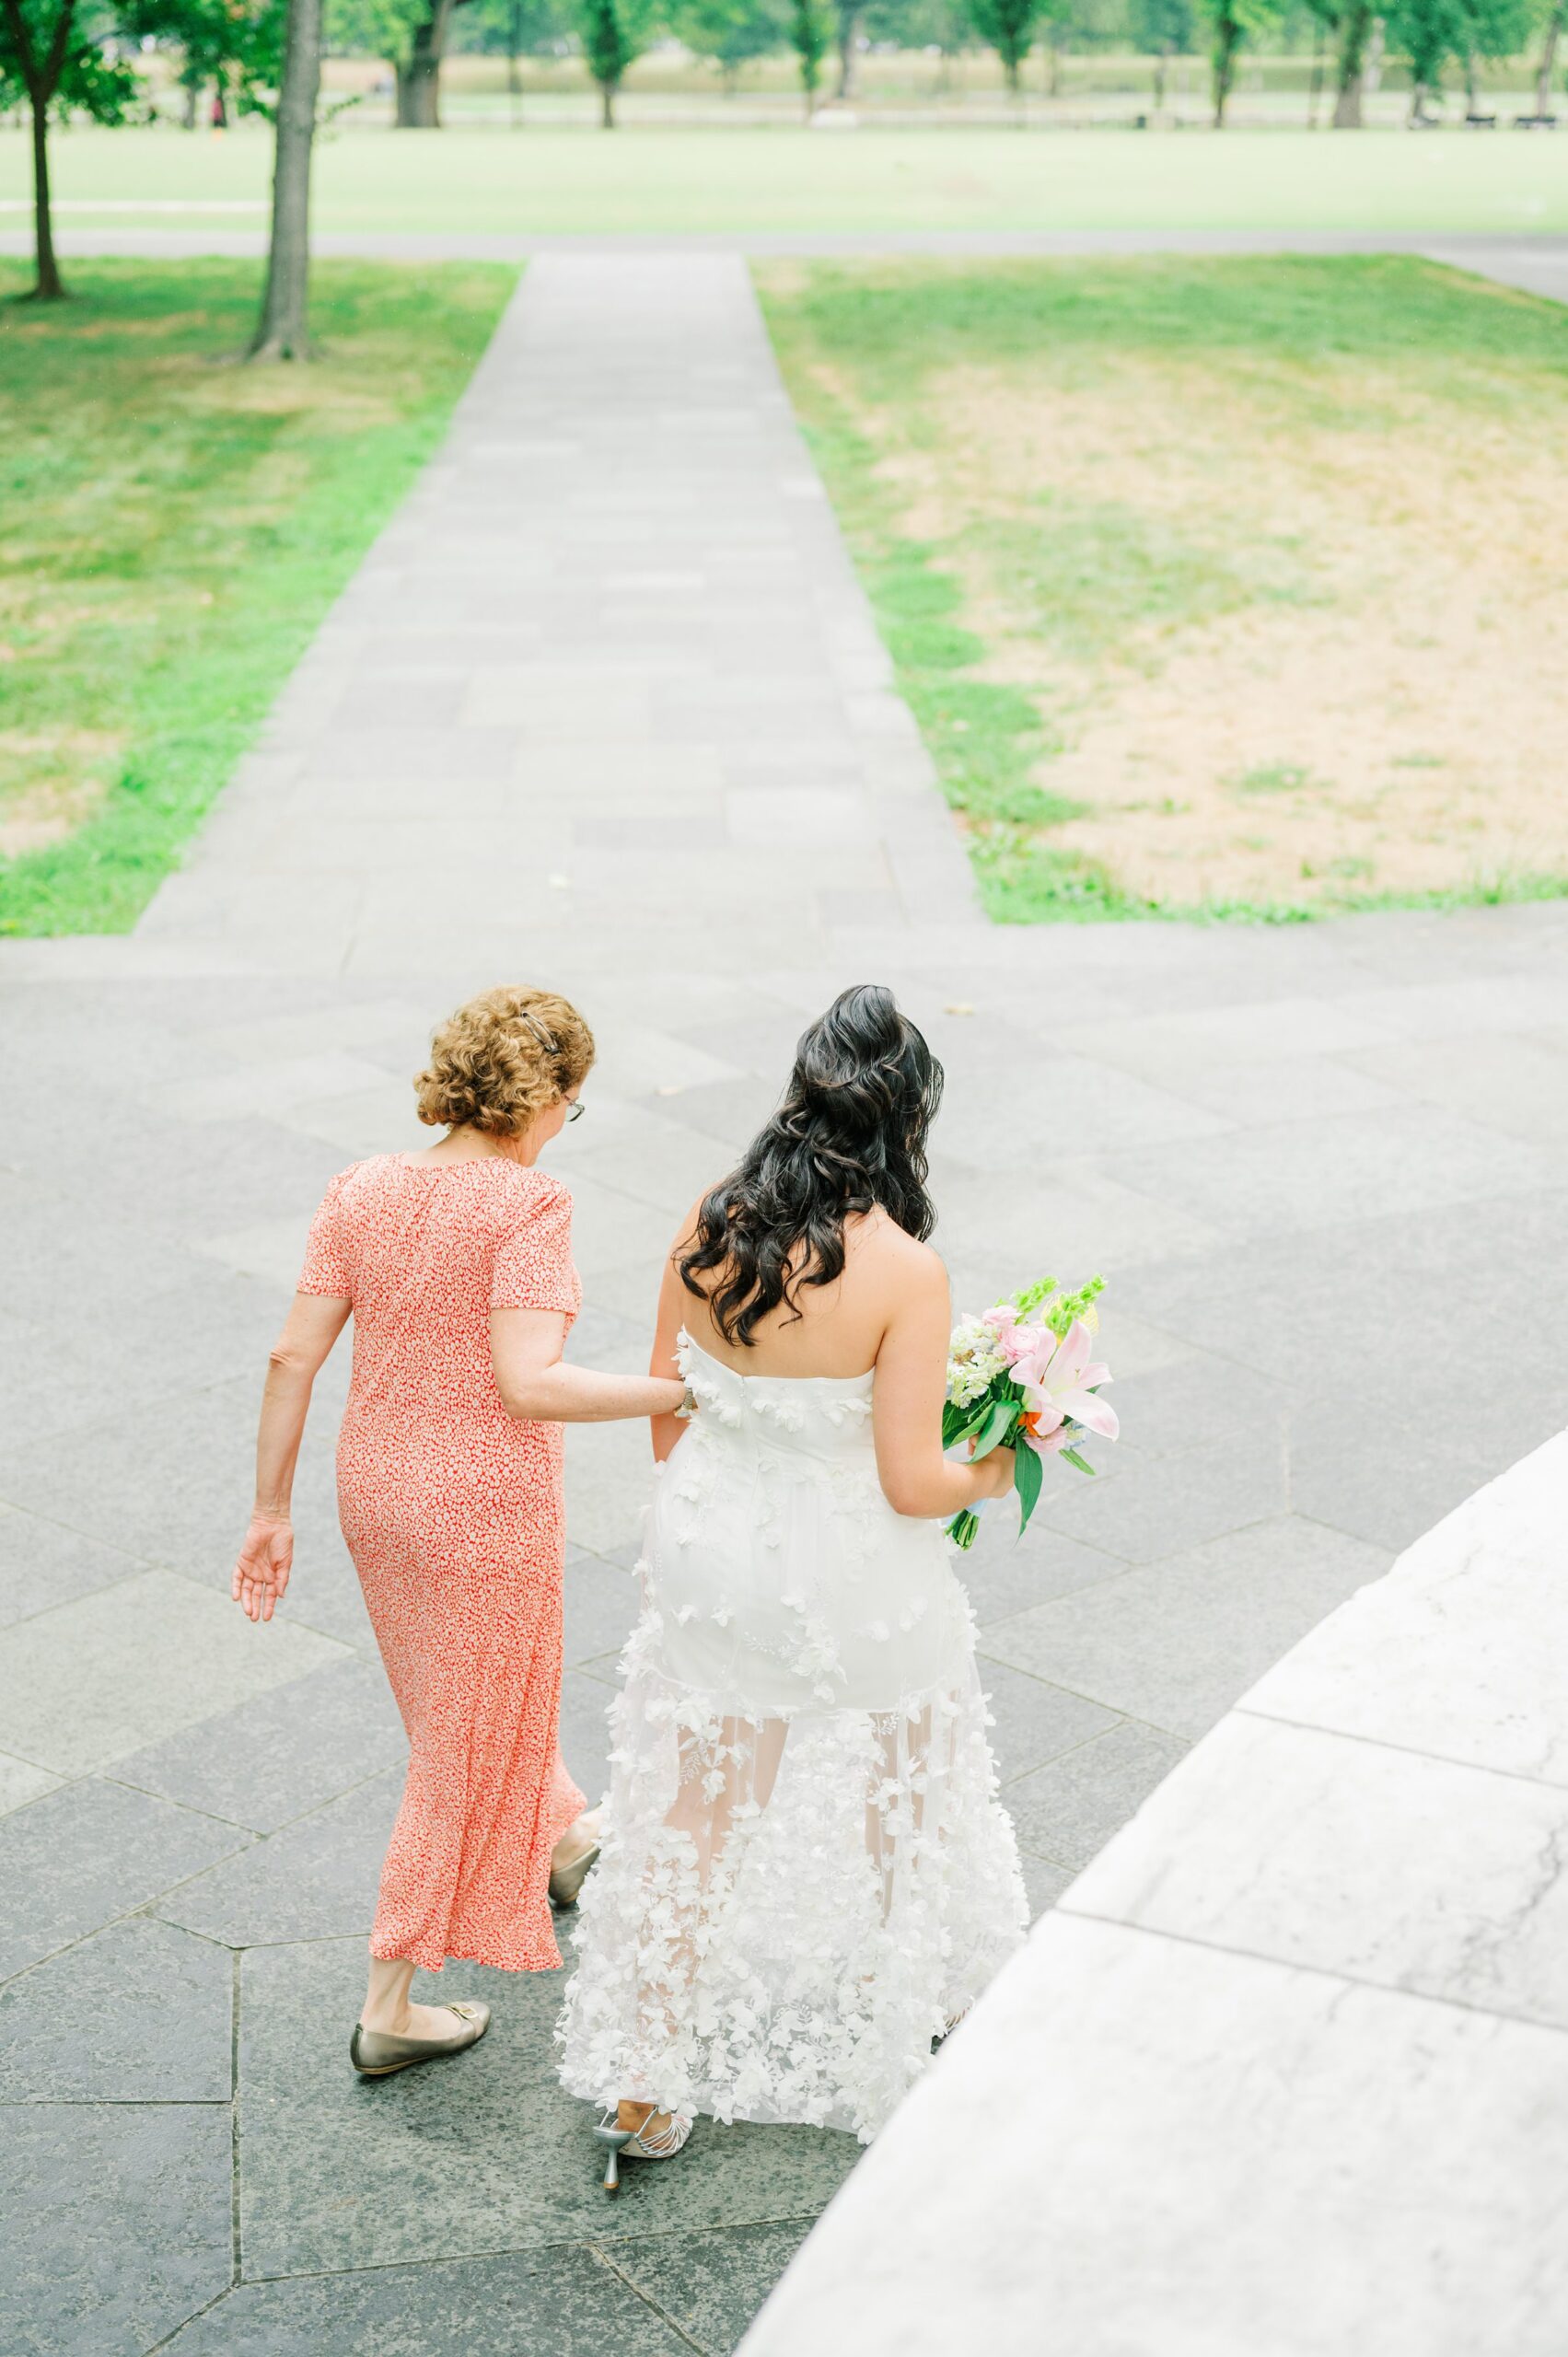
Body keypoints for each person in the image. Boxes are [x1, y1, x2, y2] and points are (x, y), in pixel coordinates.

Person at [557, 983, 1029, 2184]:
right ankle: (917, 2013)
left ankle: (642, 2081)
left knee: (691, 1818)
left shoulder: (706, 1222)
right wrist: (1005, 1459)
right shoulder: (901, 1270)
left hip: (715, 1560)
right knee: (902, 1789)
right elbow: (912, 1482)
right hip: (852, 1577)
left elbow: (669, 1422)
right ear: (902, 1119)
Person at [231, 986, 687, 2078]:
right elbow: (527, 1384)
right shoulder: (528, 1206)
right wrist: (671, 1392)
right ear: (546, 1100)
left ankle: (562, 1839)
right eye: (568, 1110)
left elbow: (292, 1358)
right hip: (483, 1507)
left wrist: (268, 1511)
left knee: (460, 1702)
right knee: (456, 1741)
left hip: (374, 1495)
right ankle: (390, 1998)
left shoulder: (360, 1186)